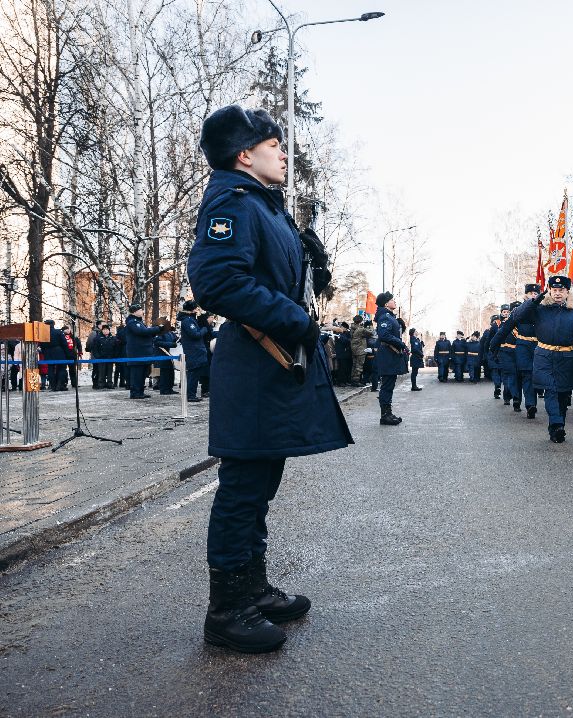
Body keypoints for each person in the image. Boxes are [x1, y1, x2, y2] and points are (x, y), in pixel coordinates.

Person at [187, 104, 354, 653]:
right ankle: (227, 608)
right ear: (244, 154)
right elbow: (217, 281)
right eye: (273, 144)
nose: (284, 153)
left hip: (273, 366)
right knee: (242, 489)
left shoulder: (265, 207)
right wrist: (298, 320)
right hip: (257, 363)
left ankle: (253, 589)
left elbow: (273, 275)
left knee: (261, 485)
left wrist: (310, 263)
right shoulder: (232, 202)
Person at [492, 276, 573, 442]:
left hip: (567, 358)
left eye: (561, 290)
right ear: (549, 291)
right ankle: (557, 424)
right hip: (544, 357)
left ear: (568, 292)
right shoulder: (539, 310)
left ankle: (557, 426)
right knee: (551, 391)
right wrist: (535, 300)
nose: (558, 293)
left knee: (563, 394)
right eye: (554, 290)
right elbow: (517, 315)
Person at [373, 291, 408, 423]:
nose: (395, 301)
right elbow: (384, 335)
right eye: (392, 300)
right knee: (387, 385)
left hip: (390, 355)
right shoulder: (385, 317)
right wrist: (401, 343)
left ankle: (388, 413)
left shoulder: (389, 316)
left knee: (389, 385)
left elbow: (392, 333)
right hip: (387, 355)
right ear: (387, 303)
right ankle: (385, 416)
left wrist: (400, 326)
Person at [514, 283, 542, 418]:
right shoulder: (519, 308)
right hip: (524, 346)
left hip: (540, 345)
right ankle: (531, 405)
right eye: (531, 293)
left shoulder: (543, 308)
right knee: (527, 375)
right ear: (526, 295)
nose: (534, 295)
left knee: (541, 375)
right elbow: (508, 327)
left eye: (536, 294)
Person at [125, 304, 163, 399]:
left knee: (142, 374)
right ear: (134, 312)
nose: (142, 311)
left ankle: (140, 391)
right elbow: (142, 332)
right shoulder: (132, 322)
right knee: (137, 374)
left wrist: (154, 332)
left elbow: (145, 333)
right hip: (137, 353)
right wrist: (157, 329)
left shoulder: (139, 322)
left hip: (143, 352)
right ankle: (135, 392)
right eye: (140, 310)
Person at [178, 301, 210, 402]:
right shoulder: (187, 321)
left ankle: (192, 394)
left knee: (195, 373)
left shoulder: (191, 319)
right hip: (193, 350)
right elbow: (195, 334)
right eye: (196, 308)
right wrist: (204, 329)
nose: (198, 310)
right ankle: (191, 395)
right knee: (193, 373)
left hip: (196, 350)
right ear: (192, 309)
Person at [495, 305, 519, 407]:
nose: (505, 313)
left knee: (513, 375)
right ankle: (510, 397)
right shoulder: (498, 324)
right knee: (507, 375)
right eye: (504, 312)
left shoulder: (515, 323)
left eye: (507, 312)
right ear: (501, 313)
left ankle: (510, 396)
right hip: (503, 352)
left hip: (515, 351)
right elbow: (493, 340)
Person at [154, 320, 179, 395]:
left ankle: (169, 388)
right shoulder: (160, 333)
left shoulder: (170, 333)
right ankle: (164, 389)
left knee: (170, 373)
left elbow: (175, 339)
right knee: (164, 373)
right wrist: (171, 344)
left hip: (170, 355)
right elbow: (157, 342)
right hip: (163, 355)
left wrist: (177, 340)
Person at [479, 314, 500, 395]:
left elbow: (483, 345)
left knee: (495, 371)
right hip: (496, 353)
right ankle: (498, 386)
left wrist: (484, 356)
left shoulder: (488, 331)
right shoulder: (503, 328)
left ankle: (497, 386)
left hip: (493, 353)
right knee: (498, 371)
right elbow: (483, 344)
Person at [409, 327, 425, 391]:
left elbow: (419, 347)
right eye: (415, 331)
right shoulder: (413, 339)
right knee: (414, 372)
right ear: (413, 333)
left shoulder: (416, 339)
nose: (417, 332)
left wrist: (421, 344)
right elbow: (415, 349)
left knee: (415, 372)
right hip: (415, 357)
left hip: (417, 357)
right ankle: (413, 386)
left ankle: (414, 385)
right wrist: (421, 354)